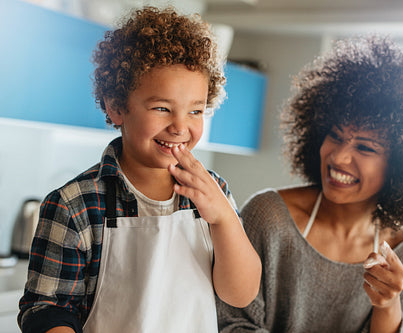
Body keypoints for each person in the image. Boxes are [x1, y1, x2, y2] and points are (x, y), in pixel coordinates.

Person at [18, 7, 261, 333]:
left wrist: (224, 218)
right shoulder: (74, 205)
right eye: (162, 108)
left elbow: (240, 295)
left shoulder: (213, 193)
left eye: (195, 111)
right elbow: (46, 310)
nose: (180, 126)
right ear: (116, 106)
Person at [216, 35, 403, 332]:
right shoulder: (269, 216)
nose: (338, 157)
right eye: (335, 136)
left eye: (365, 148)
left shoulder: (402, 252)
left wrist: (388, 304)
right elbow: (230, 322)